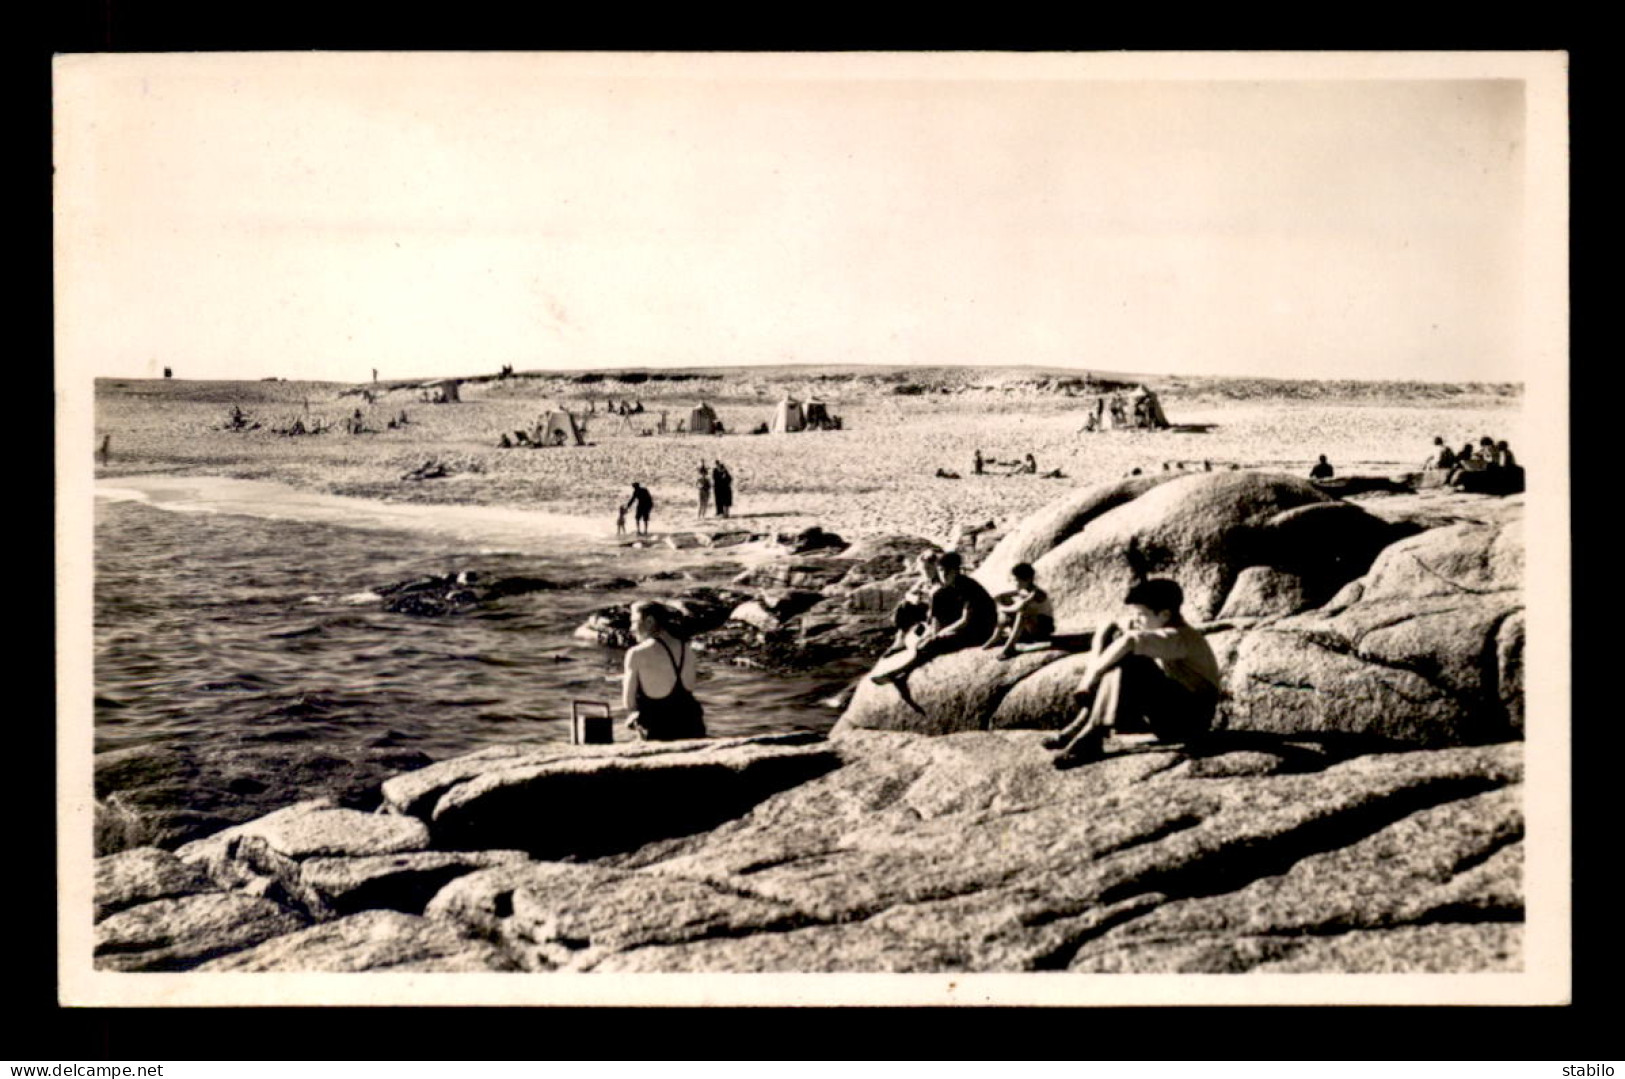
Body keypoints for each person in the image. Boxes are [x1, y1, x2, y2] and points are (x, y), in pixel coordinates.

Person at [1044, 579, 1221, 766]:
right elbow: (1109, 625)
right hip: (1173, 716)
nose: (1136, 620)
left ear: (1164, 614)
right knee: (1118, 646)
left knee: (1131, 661)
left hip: (1189, 721)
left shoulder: (1179, 637)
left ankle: (1092, 732)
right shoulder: (1162, 625)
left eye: (1141, 615)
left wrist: (1091, 677)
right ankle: (1083, 723)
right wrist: (1106, 635)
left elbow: (1130, 641)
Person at [872, 551, 996, 687]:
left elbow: (966, 620)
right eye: (940, 571)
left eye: (946, 571)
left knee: (930, 644)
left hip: (979, 631)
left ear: (955, 570)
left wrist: (940, 633)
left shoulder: (969, 587)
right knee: (925, 634)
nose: (943, 575)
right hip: (965, 625)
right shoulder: (950, 586)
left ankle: (900, 673)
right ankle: (902, 645)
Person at [622, 601, 706, 741]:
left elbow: (628, 703)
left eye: (634, 622)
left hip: (659, 733)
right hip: (692, 729)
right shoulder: (687, 649)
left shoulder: (636, 653)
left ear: (649, 621)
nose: (631, 628)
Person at [984, 562, 1055, 659]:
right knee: (1006, 604)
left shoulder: (1037, 593)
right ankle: (996, 637)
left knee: (1023, 612)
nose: (1014, 583)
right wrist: (1002, 604)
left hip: (1042, 629)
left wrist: (1002, 609)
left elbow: (1019, 607)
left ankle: (1010, 648)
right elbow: (998, 597)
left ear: (1028, 580)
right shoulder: (1023, 590)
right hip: (1030, 628)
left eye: (1016, 580)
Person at [884, 549, 942, 656]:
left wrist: (926, 599)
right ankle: (900, 639)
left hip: (939, 614)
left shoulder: (941, 580)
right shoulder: (924, 581)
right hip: (926, 612)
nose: (926, 572)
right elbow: (908, 594)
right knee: (904, 605)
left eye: (929, 568)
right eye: (923, 569)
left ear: (935, 567)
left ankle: (931, 636)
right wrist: (914, 599)